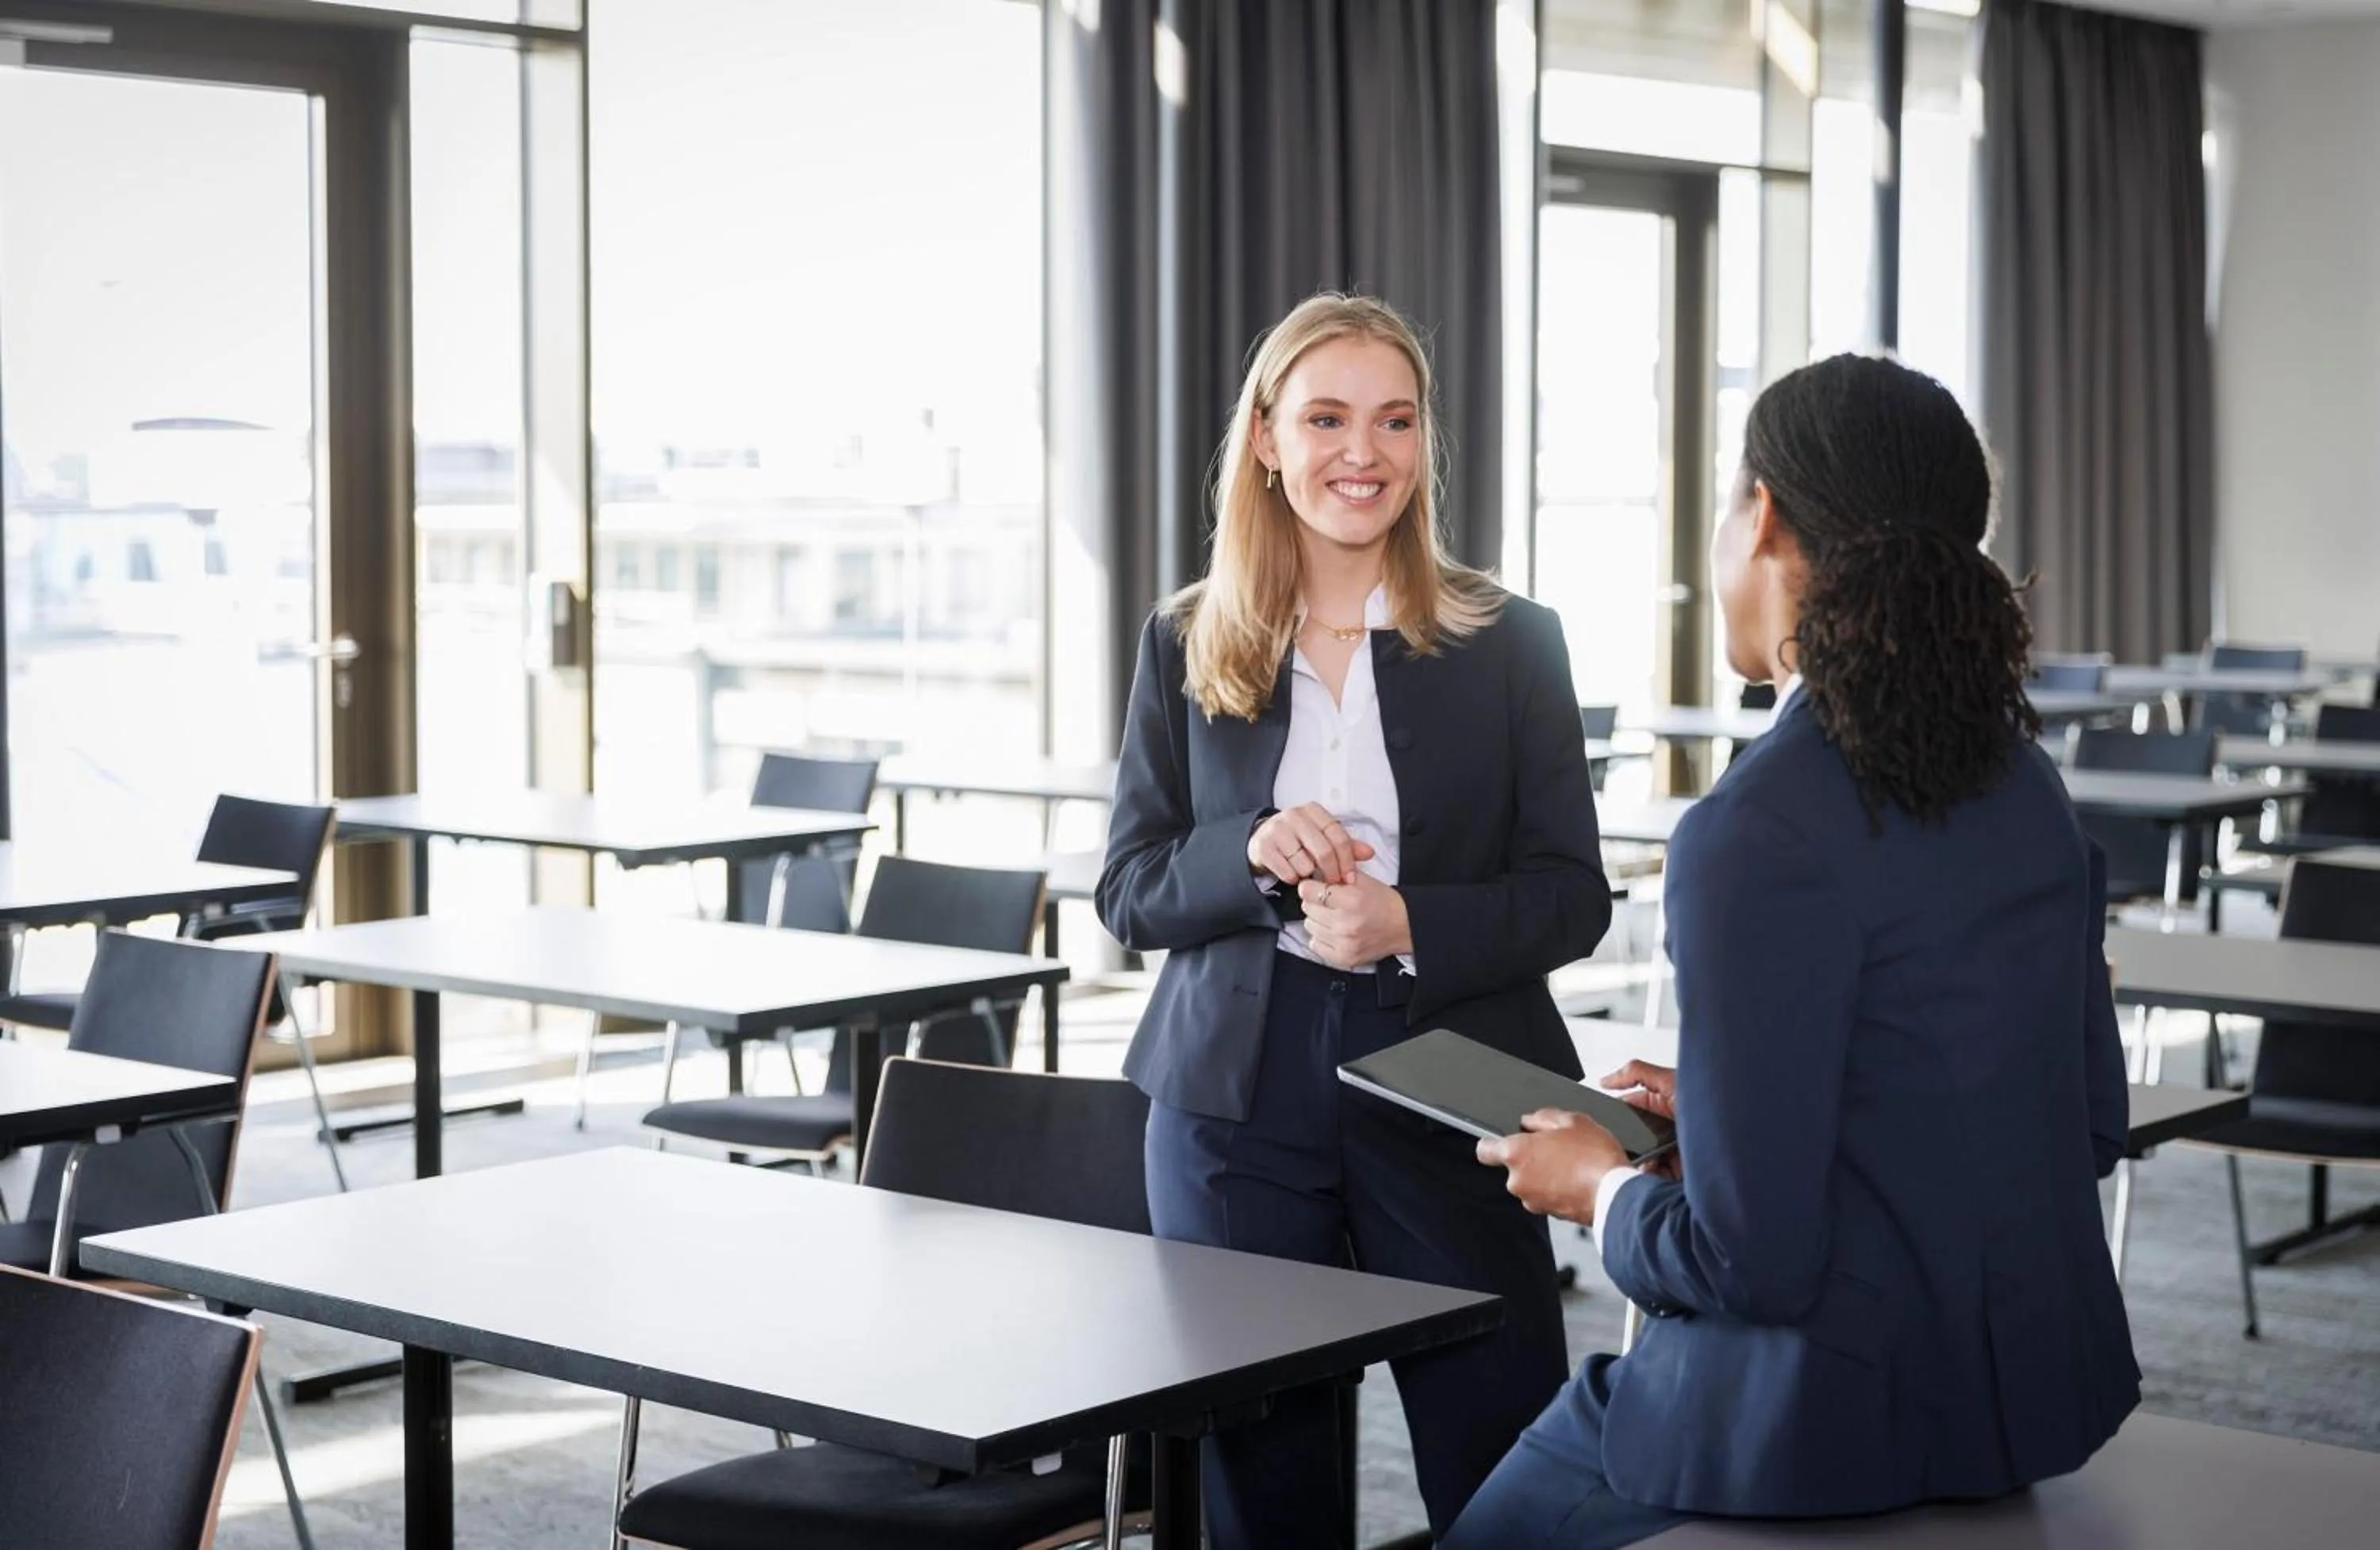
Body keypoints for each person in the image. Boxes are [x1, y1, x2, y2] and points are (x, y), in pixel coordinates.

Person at [1453, 353, 2141, 1548]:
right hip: (2017, 1406)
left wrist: (1600, 1186)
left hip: (1812, 1422)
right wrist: (1721, 1119)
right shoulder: (2027, 785)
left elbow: (1751, 1266)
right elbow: (2074, 1127)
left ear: (1760, 514)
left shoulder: (1754, 829)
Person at [1096, 293, 1612, 1548]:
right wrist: (1249, 851)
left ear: (1424, 442)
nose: (1361, 453)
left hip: (1456, 1080)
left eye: (1393, 419)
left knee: (1506, 1472)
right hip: (1234, 1098)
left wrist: (1407, 924)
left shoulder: (1515, 642)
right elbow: (1129, 887)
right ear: (1266, 439)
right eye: (1325, 418)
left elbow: (1571, 893)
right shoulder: (1184, 639)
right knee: (1260, 1488)